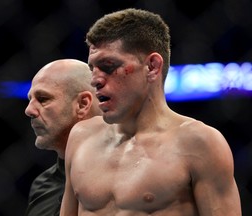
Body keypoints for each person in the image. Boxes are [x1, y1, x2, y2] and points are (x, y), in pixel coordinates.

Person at [59, 8, 242, 216]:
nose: (95, 80)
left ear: (152, 67)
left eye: (108, 66)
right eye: (93, 68)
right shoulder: (81, 137)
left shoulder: (199, 143)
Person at [24, 59, 102, 216]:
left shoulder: (126, 177)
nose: (29, 110)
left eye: (43, 99)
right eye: (30, 99)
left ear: (82, 104)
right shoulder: (42, 185)